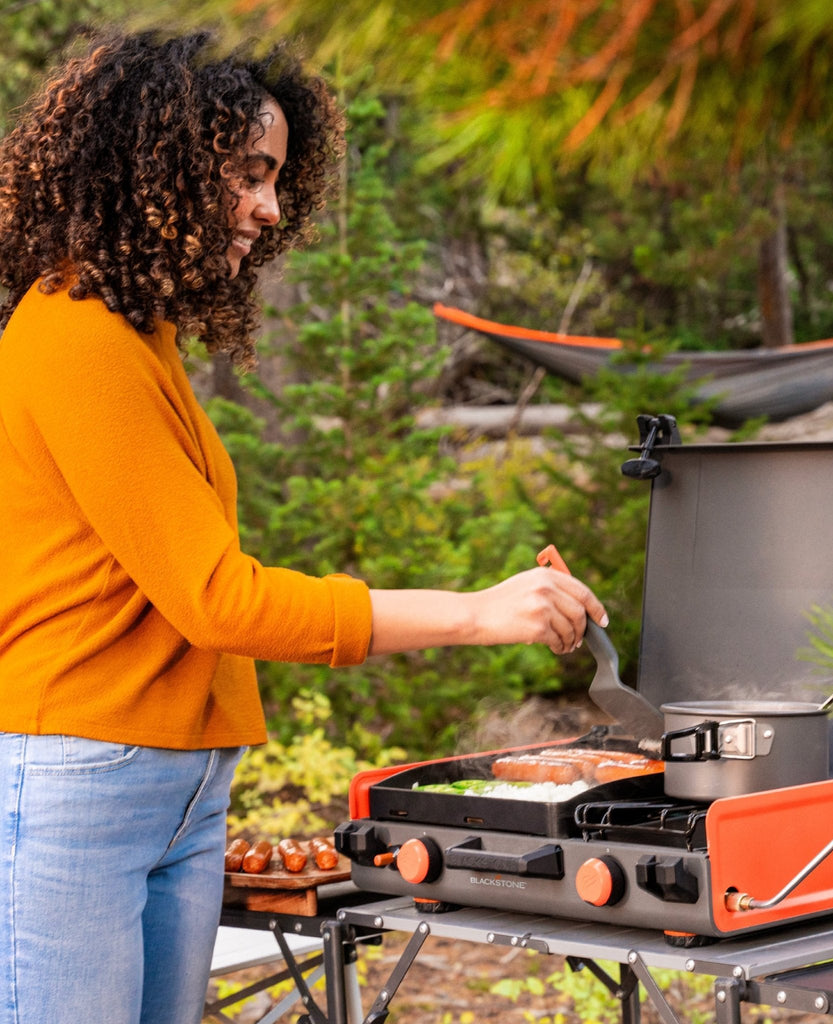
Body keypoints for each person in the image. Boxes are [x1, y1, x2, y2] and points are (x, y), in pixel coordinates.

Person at [0, 28, 607, 1024]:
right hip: (78, 785)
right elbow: (218, 597)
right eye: (247, 175)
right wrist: (476, 613)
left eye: (277, 178)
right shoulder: (73, 334)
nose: (269, 209)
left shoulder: (136, 333)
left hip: (175, 790)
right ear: (156, 164)